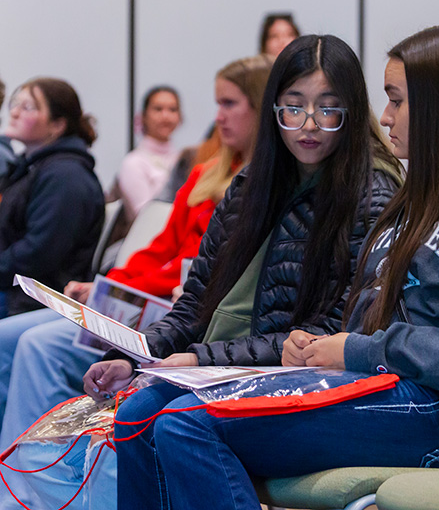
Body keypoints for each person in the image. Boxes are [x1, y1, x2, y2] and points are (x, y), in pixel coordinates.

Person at [93, 24, 439, 510]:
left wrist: (356, 349)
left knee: (187, 423)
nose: (386, 116)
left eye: (397, 100)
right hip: (383, 384)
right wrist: (317, 346)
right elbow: (370, 311)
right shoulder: (425, 195)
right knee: (149, 414)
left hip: (435, 409)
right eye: (388, 99)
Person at [0, 55, 273, 510]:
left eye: (229, 104)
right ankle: (18, 482)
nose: (217, 117)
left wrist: (140, 289)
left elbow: (198, 273)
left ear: (261, 109)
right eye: (216, 104)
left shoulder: (260, 185)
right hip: (156, 305)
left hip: (183, 316)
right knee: (16, 339)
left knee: (39, 346)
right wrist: (110, 287)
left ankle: (32, 492)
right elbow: (160, 250)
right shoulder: (207, 174)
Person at [0, 78, 104, 317]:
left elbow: (38, 254)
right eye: (14, 104)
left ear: (57, 125)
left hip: (34, 298)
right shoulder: (32, 167)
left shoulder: (66, 177)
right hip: (14, 288)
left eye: (27, 107)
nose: (14, 112)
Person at [108, 86, 182, 226]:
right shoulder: (133, 162)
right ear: (144, 116)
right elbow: (146, 218)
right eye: (158, 109)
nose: (165, 116)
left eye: (172, 109)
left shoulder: (184, 159)